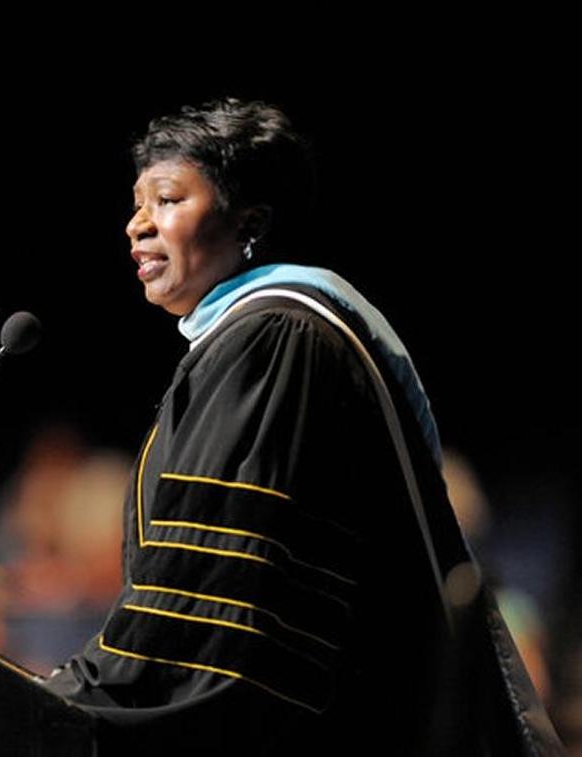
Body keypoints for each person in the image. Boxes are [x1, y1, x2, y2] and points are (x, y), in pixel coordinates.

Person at [40, 99, 563, 755]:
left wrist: (72, 695)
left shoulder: (276, 337)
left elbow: (223, 599)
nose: (137, 225)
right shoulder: (258, 338)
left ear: (249, 221)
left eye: (167, 199)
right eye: (136, 203)